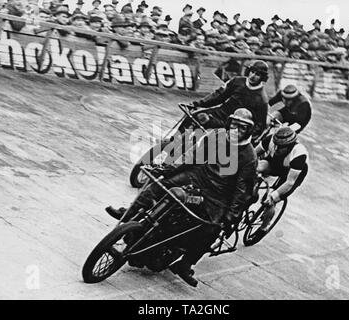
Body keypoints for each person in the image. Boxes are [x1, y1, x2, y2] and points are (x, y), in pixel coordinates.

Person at [106, 109, 258, 287]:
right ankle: (130, 215)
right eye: (234, 125)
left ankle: (185, 264)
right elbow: (192, 156)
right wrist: (167, 169)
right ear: (228, 123)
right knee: (158, 185)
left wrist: (230, 215)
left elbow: (242, 190)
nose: (236, 130)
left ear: (248, 130)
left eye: (241, 127)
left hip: (219, 194)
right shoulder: (215, 135)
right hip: (198, 175)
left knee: (211, 229)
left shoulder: (249, 156)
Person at [190, 60, 270, 140]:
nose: (253, 76)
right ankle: (179, 142)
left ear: (262, 77)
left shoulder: (262, 99)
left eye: (257, 74)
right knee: (193, 116)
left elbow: (259, 126)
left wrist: (243, 138)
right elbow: (219, 96)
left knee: (208, 132)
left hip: (233, 125)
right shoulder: (237, 81)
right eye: (252, 72)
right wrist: (198, 104)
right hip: (220, 113)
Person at [254, 126, 309, 234]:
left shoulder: (299, 154)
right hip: (275, 163)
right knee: (256, 168)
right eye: (276, 145)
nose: (277, 149)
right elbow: (252, 155)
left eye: (281, 147)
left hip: (292, 173)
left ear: (289, 146)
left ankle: (264, 227)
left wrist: (273, 196)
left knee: (271, 201)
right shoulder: (270, 140)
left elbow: (289, 182)